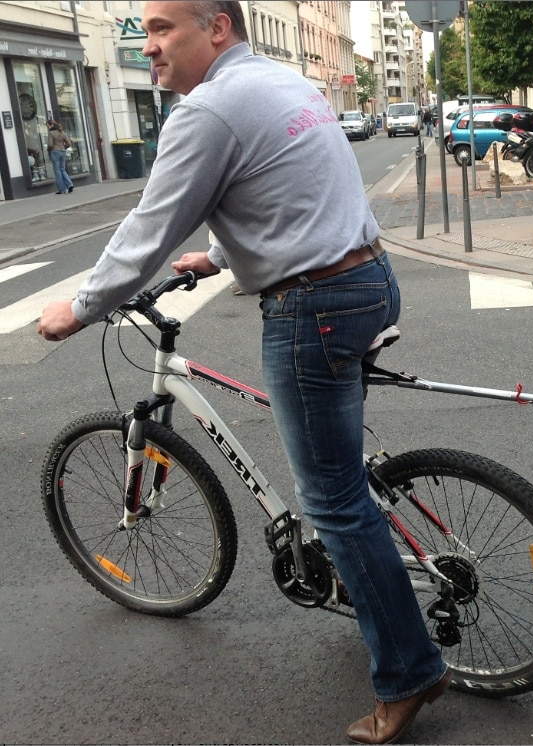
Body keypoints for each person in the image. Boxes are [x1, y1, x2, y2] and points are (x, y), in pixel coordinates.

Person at [36, 2, 450, 744]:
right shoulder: (281, 83)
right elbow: (292, 189)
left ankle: (410, 671)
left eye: (163, 29)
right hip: (366, 277)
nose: (149, 45)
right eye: (145, 31)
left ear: (217, 27)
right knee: (340, 469)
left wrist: (81, 307)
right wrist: (222, 255)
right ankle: (370, 577)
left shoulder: (205, 113)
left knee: (330, 499)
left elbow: (146, 227)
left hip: (314, 304)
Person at [46, 119, 74, 194]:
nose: (47, 127)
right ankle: (70, 184)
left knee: (57, 171)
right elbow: (68, 143)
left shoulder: (51, 133)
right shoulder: (62, 132)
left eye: (47, 125)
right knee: (63, 169)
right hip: (63, 152)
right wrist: (63, 148)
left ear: (51, 125)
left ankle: (62, 189)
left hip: (55, 152)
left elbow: (50, 145)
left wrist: (48, 150)